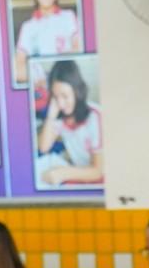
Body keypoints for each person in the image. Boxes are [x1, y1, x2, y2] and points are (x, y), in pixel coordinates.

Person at [34, 59, 103, 187]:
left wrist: (63, 173)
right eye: (55, 96)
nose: (60, 104)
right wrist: (51, 116)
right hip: (79, 174)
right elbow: (43, 147)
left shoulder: (95, 116)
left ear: (77, 92)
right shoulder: (61, 116)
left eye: (65, 96)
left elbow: (98, 171)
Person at [12, 0, 81, 84]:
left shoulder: (69, 17)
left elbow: (80, 49)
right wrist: (44, 77)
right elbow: (17, 70)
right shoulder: (28, 27)